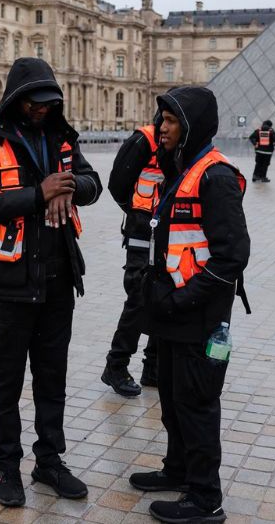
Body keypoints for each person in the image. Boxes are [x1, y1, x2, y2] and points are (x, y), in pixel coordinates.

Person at [0, 57, 102, 508]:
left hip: (58, 279)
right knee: (7, 379)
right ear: (16, 99)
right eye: (35, 103)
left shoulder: (61, 136)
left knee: (52, 377)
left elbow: (94, 183)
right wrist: (38, 196)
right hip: (8, 282)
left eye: (50, 103)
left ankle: (50, 461)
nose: (42, 110)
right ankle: (7, 467)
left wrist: (71, 185)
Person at [130, 86, 250, 524]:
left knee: (197, 406)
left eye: (170, 120)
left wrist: (181, 298)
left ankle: (205, 499)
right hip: (173, 313)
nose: (161, 127)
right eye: (160, 118)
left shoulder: (214, 176)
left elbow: (232, 255)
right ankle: (178, 469)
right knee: (174, 401)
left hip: (198, 315)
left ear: (192, 126)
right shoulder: (182, 169)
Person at [103, 121, 162, 397]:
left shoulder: (185, 140)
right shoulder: (144, 140)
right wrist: (138, 214)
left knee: (164, 297)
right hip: (142, 231)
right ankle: (116, 365)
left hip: (167, 234)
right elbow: (117, 184)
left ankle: (153, 367)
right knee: (138, 298)